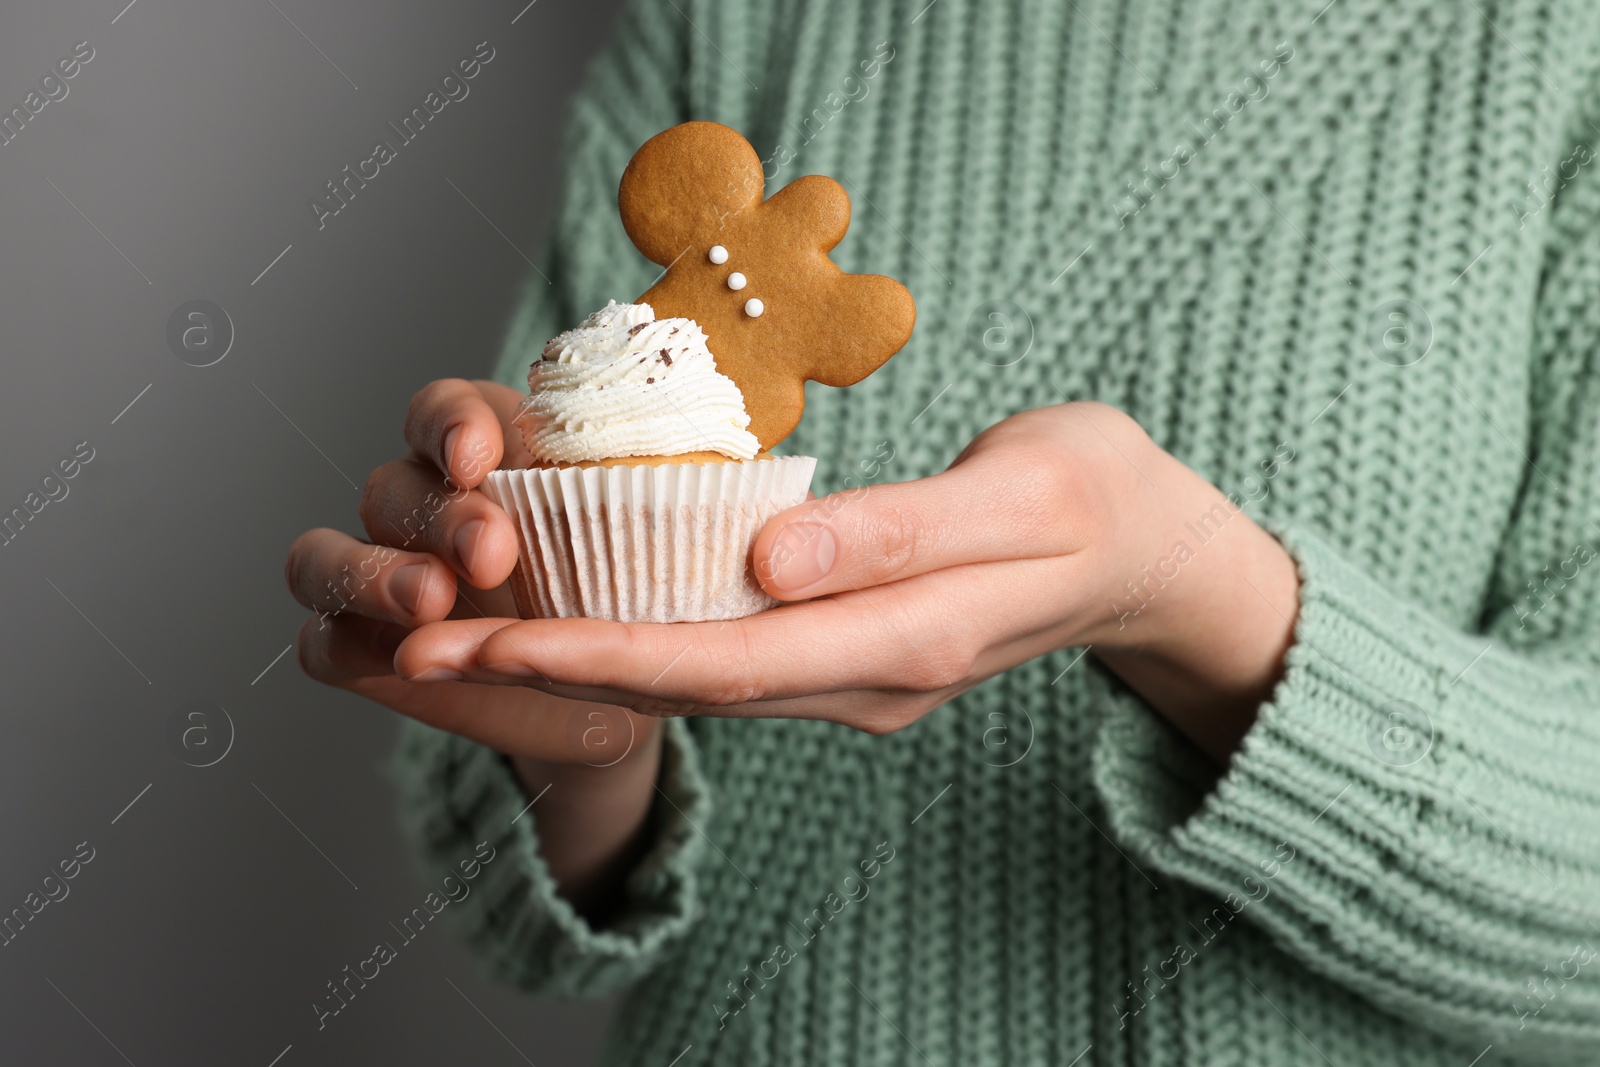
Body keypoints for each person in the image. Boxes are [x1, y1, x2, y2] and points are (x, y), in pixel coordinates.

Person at [285, 0, 1600, 1063]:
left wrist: (1196, 603)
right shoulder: (725, 23)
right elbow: (525, 911)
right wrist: (582, 710)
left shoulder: (1549, 49)